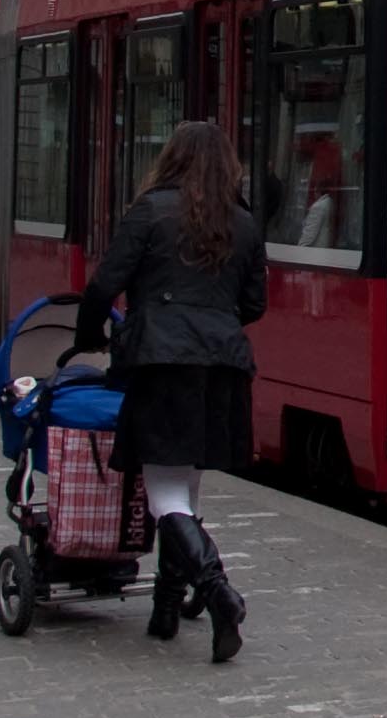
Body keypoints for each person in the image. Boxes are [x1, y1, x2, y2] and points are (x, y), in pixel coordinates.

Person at [72, 119, 265, 662]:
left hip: (162, 363)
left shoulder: (150, 210)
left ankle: (218, 591)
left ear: (172, 160)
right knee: (189, 487)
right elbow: (254, 304)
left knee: (163, 494)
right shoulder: (243, 223)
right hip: (222, 365)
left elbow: (103, 285)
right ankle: (164, 611)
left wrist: (91, 337)